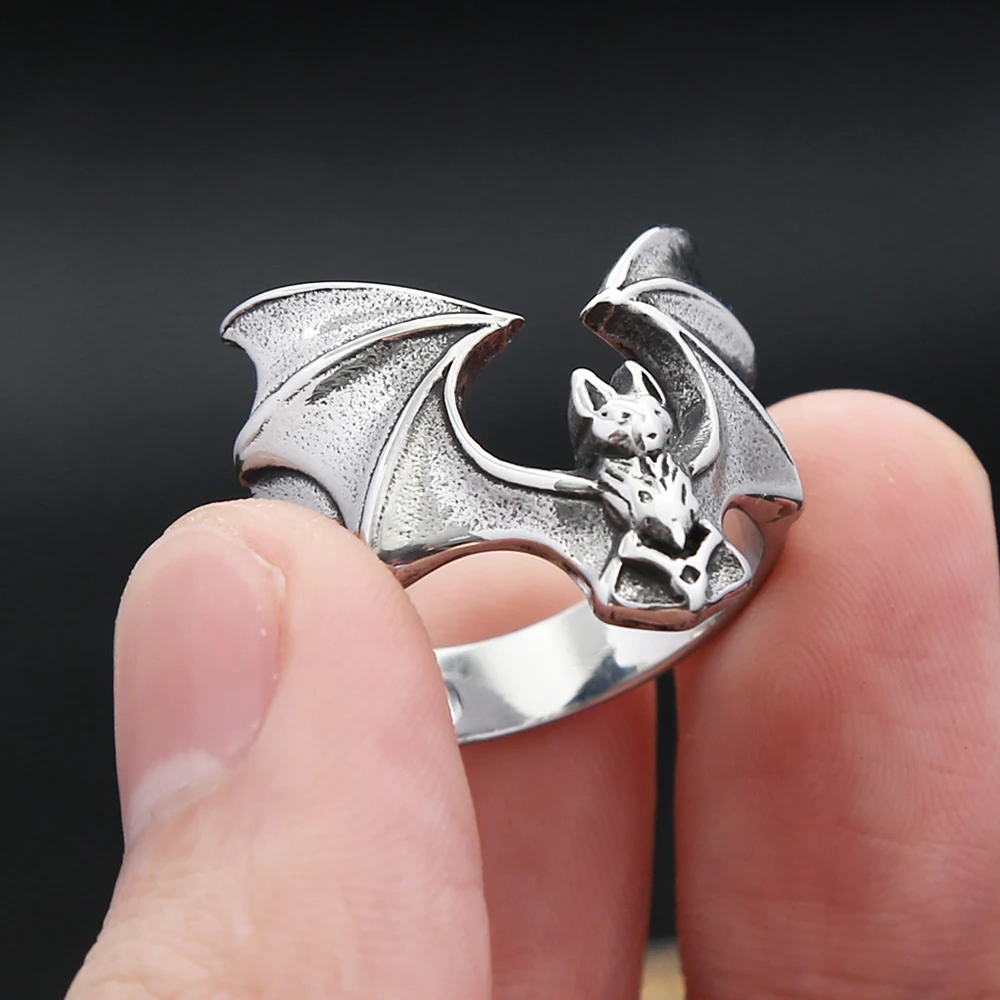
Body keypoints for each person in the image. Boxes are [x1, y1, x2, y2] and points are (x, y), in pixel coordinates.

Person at [66, 391, 1000, 999]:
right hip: (625, 573)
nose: (642, 430)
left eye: (651, 420)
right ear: (594, 420)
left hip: (695, 568)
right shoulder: (568, 494)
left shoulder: (686, 453)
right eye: (623, 421)